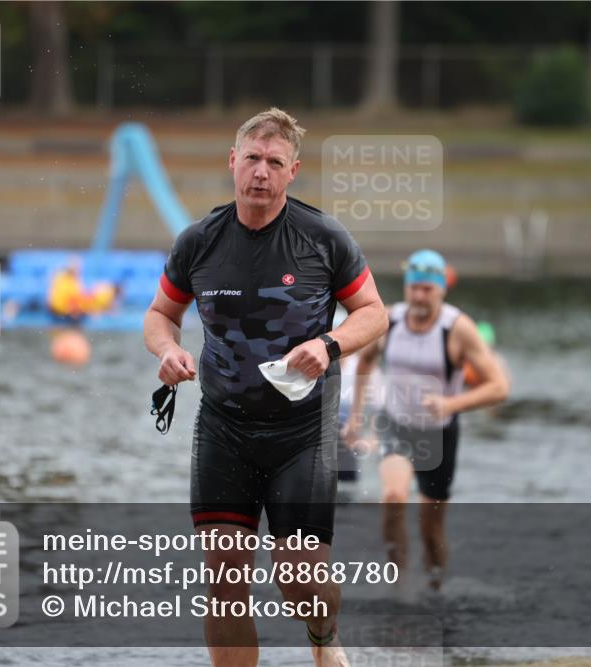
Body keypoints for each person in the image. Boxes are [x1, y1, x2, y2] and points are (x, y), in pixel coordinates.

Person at [143, 108, 387, 667]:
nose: (261, 171)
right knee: (225, 579)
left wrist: (329, 345)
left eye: (275, 162)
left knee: (300, 581)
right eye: (252, 158)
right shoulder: (199, 241)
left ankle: (323, 636)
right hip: (224, 428)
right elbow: (160, 314)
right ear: (232, 161)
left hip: (302, 432)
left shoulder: (322, 238)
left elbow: (373, 313)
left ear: (292, 171)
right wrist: (167, 350)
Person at [348, 249, 509, 592]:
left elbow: (499, 387)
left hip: (439, 434)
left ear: (442, 290)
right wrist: (356, 418)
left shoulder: (458, 329)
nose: (420, 296)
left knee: (430, 529)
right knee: (393, 499)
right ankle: (401, 588)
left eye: (427, 289)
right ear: (406, 288)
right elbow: (365, 362)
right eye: (414, 288)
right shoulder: (389, 320)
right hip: (395, 425)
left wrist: (452, 403)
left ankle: (435, 589)